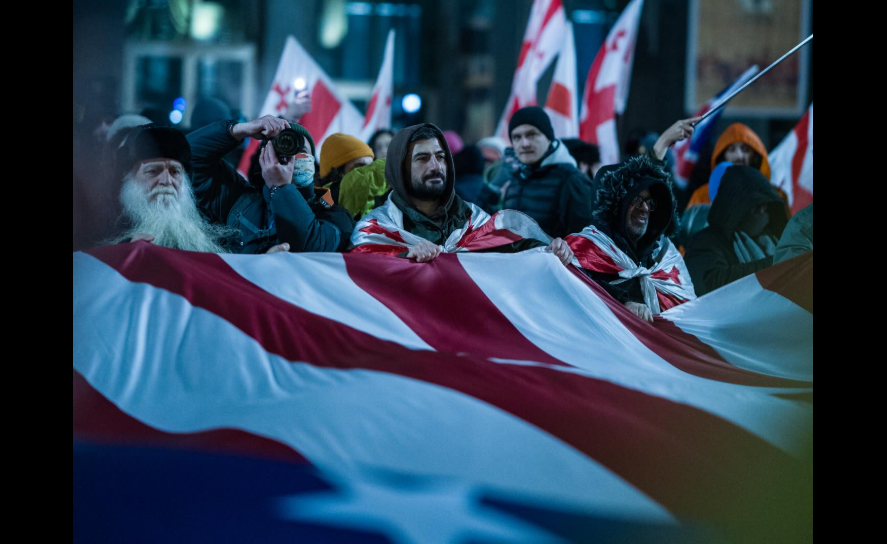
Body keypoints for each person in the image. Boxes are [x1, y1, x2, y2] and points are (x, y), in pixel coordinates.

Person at [351, 123, 573, 265]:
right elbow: (357, 267)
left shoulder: (473, 219)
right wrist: (405, 257)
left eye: (440, 156)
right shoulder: (375, 227)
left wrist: (550, 250)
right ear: (400, 169)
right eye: (422, 159)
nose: (435, 166)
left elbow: (513, 248)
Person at [187, 116, 354, 254]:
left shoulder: (335, 214)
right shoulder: (237, 200)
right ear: (264, 157)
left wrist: (281, 188)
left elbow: (313, 247)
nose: (291, 157)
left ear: (313, 163)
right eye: (281, 149)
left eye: (300, 150)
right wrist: (239, 130)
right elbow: (187, 157)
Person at [568, 155, 695, 322]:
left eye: (650, 202)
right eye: (636, 199)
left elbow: (691, 319)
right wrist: (622, 305)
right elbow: (575, 302)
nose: (645, 208)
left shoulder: (665, 257)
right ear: (615, 207)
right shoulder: (578, 252)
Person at [108, 123, 247, 253]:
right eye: (153, 171)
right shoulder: (107, 221)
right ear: (128, 177)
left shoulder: (208, 222)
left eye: (175, 172)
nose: (167, 181)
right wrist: (123, 251)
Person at [684, 164, 789, 295]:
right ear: (734, 208)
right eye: (756, 205)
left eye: (766, 205)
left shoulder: (775, 238)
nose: (763, 211)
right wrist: (780, 264)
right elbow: (711, 285)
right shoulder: (704, 242)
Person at [499, 106, 595, 239]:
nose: (524, 143)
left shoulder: (572, 180)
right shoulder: (516, 180)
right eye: (517, 137)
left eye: (531, 135)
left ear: (549, 137)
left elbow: (585, 241)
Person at [319, 133, 375, 203]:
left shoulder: (374, 202)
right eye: (360, 166)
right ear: (336, 170)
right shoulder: (315, 206)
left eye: (370, 166)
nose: (369, 172)